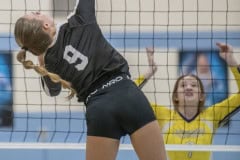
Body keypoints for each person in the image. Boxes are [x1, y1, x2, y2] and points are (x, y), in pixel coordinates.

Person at [14, 0, 167, 160]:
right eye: (37, 14)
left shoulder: (49, 62)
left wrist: (41, 58)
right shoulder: (79, 21)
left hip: (99, 111)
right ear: (45, 26)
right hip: (127, 95)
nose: (39, 11)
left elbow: (52, 91)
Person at [136, 43, 240, 160]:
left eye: (194, 85)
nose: (189, 87)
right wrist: (149, 71)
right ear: (176, 96)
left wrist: (232, 62)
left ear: (201, 96)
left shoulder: (213, 115)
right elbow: (130, 97)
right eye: (183, 85)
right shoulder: (163, 115)